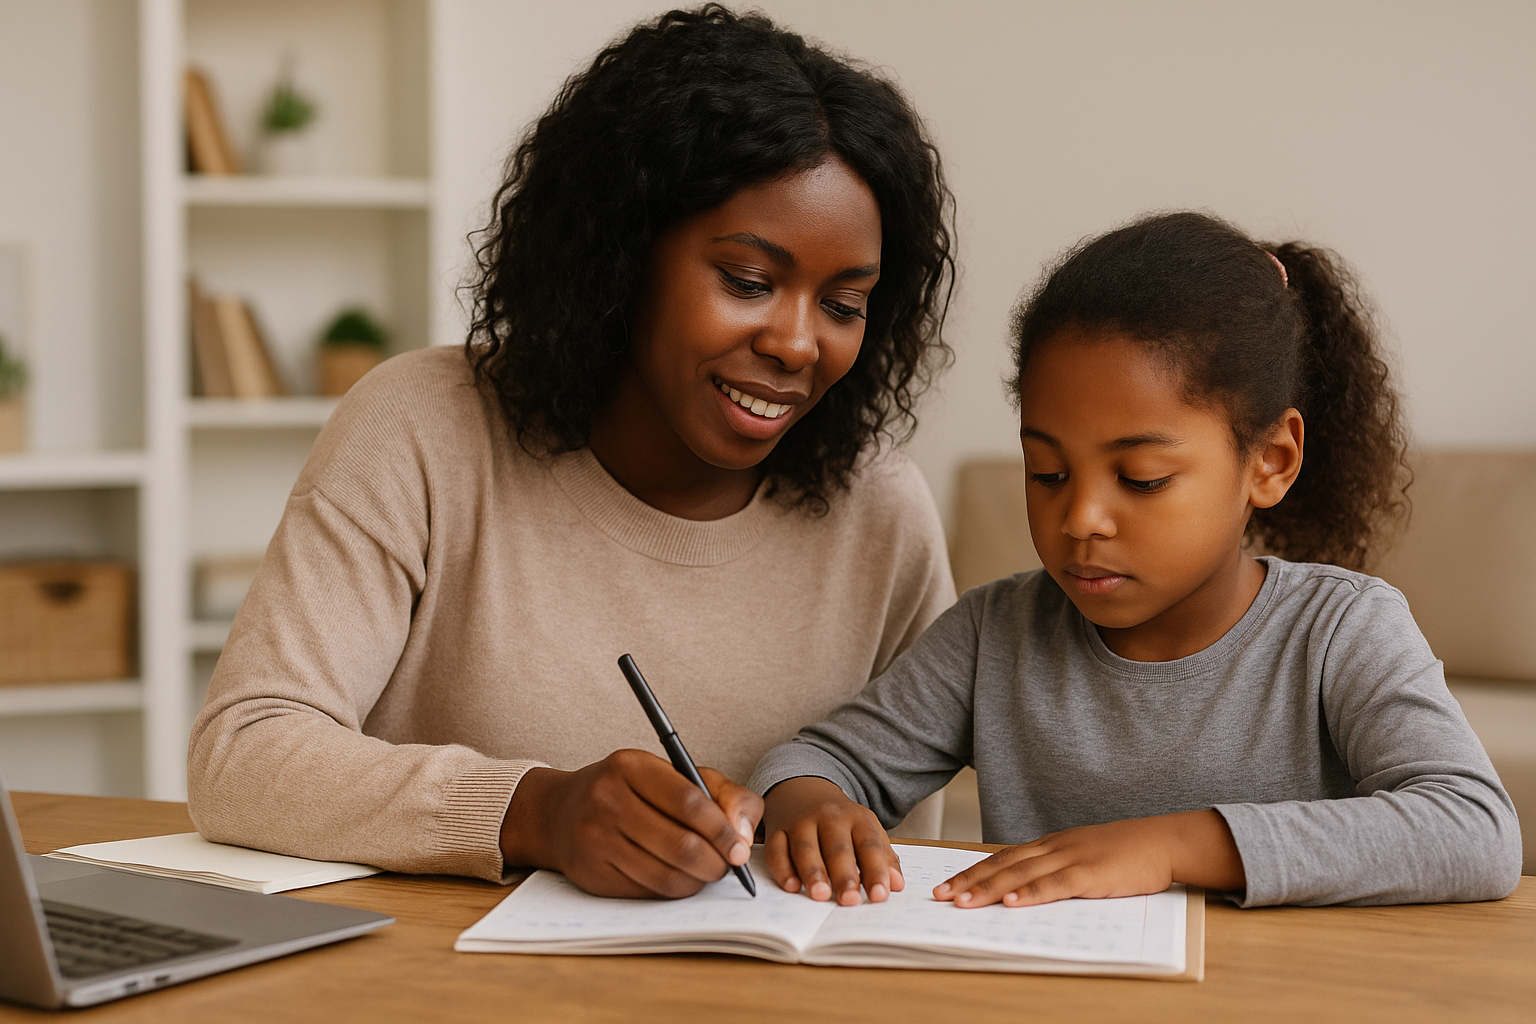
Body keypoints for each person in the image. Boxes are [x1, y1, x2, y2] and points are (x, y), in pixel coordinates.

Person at [187, 5, 958, 898]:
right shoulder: (424, 429)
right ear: (623, 254)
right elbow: (243, 754)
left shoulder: (882, 514)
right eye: (748, 282)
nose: (797, 343)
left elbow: (898, 867)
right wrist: (535, 811)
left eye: (843, 303)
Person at [750, 211, 1522, 909]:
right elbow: (818, 758)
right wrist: (808, 798)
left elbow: (1475, 829)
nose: (1080, 519)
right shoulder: (995, 634)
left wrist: (1175, 845)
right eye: (1047, 473)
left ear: (1270, 461)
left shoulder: (1340, 629)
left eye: (1141, 479)